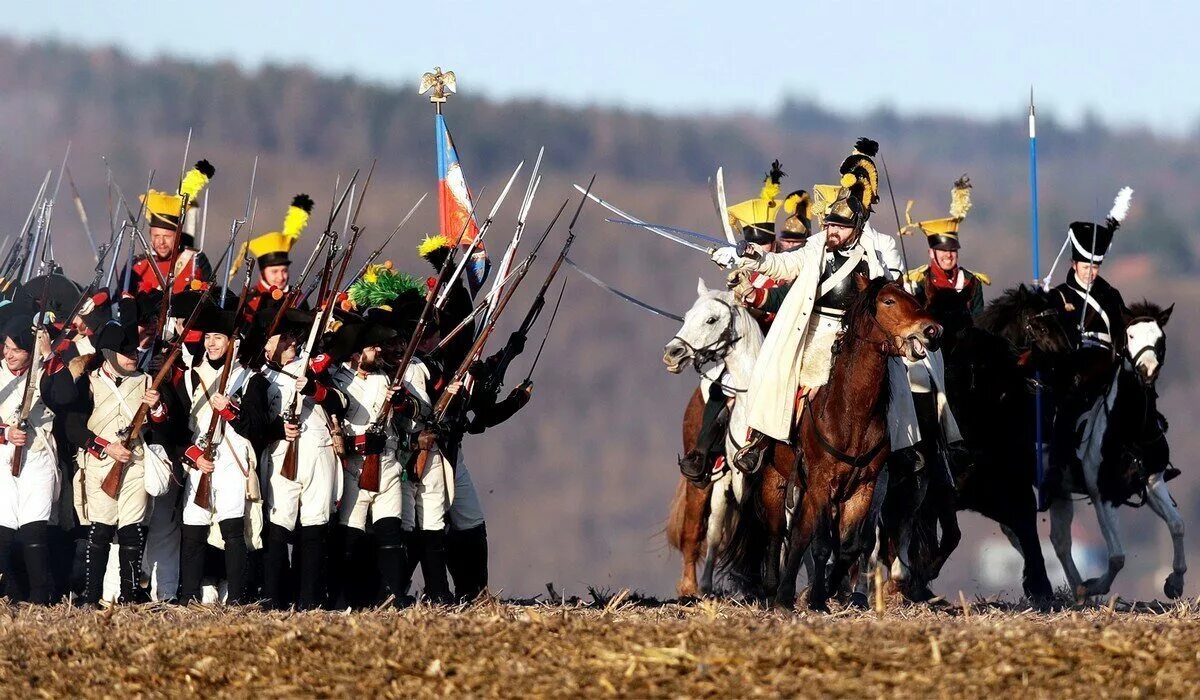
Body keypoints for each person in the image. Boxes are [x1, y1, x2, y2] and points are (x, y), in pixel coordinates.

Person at [711, 138, 959, 473]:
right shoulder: (814, 246)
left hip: (857, 335)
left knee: (898, 381)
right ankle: (761, 438)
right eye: (829, 224)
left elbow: (887, 293)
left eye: (839, 226)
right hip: (814, 332)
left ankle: (902, 446)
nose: (831, 231)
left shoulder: (873, 255)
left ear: (855, 228)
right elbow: (783, 267)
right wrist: (752, 257)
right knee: (777, 374)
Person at [62, 298, 173, 606]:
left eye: (135, 352)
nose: (133, 357)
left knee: (132, 531)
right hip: (101, 463)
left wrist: (157, 406)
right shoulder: (88, 383)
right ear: (110, 354)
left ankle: (128, 596)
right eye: (127, 353)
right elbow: (74, 428)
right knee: (100, 531)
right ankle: (92, 597)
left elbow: (161, 424)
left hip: (135, 462)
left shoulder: (147, 380)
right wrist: (106, 447)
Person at [175, 295, 270, 604]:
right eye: (208, 337)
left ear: (233, 342)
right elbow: (176, 427)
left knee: (232, 528)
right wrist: (193, 456)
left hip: (232, 458)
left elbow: (257, 427)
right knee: (193, 529)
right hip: (201, 458)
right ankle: (187, 596)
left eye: (218, 337)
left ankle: (238, 599)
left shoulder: (250, 379)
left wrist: (231, 411)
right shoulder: (191, 377)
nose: (211, 343)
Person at [1042, 187, 1134, 503]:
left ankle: (1140, 465)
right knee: (1067, 407)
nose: (1091, 272)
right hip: (1073, 368)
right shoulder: (1059, 296)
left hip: (1107, 364)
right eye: (1086, 266)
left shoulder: (1111, 295)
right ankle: (1055, 472)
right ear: (1074, 263)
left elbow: (1123, 331)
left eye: (1095, 266)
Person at [257, 304, 346, 609]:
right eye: (276, 339)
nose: (290, 343)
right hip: (282, 454)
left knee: (314, 525)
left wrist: (314, 389)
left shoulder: (313, 368)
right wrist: (277, 431)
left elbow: (339, 403)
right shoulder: (260, 375)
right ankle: (271, 598)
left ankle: (309, 600)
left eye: (279, 338)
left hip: (317, 453)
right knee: (278, 523)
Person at [0, 314, 58, 604]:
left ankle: (39, 598)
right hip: (2, 457)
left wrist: (49, 356)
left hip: (37, 455)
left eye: (17, 349)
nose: (9, 354)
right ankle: (9, 592)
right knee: (3, 526)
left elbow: (64, 395)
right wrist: (4, 433)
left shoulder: (46, 371)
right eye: (6, 347)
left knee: (35, 526)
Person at [124, 161, 215, 295]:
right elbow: (120, 303)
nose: (161, 242)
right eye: (156, 236)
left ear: (177, 235)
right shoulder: (136, 263)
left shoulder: (196, 260)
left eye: (167, 236)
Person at [903, 176, 990, 319]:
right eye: (943, 250)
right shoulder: (918, 281)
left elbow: (978, 320)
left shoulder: (971, 281)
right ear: (931, 253)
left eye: (952, 250)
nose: (948, 255)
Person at [242, 194, 314, 311]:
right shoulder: (249, 299)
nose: (280, 277)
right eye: (274, 271)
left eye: (284, 270)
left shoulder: (297, 298)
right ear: (262, 272)